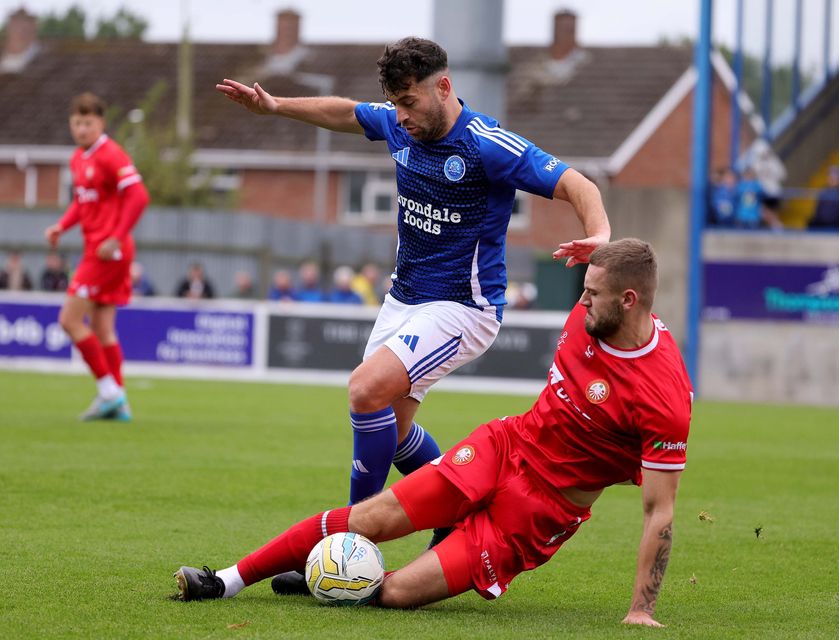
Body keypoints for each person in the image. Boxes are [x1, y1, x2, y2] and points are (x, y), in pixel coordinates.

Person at [216, 37, 610, 568]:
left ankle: (349, 547)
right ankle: (457, 507)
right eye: (395, 104)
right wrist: (276, 106)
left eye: (409, 103)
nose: (399, 117)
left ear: (443, 87)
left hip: (463, 308)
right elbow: (349, 113)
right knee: (394, 433)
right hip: (403, 302)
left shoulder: (487, 145)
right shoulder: (399, 123)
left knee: (364, 389)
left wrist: (600, 237)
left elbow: (577, 183)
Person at [174, 239, 692, 628]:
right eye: (583, 290)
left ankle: (327, 578)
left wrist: (641, 610)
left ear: (628, 301)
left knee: (397, 594)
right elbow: (625, 255)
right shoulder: (595, 312)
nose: (580, 304)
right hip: (503, 447)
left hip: (538, 512)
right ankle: (225, 581)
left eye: (592, 295)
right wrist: (595, 240)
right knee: (368, 519)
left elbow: (658, 511)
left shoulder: (664, 396)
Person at [43, 92, 149, 422]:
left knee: (69, 320)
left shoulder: (111, 154)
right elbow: (82, 200)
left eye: (88, 122)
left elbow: (139, 196)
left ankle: (110, 393)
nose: (81, 128)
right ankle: (120, 404)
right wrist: (62, 225)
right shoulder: (79, 158)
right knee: (103, 330)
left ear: (100, 123)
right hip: (99, 250)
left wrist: (116, 237)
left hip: (107, 252)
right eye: (76, 122)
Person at [808, 165, 839, 230]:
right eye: (830, 177)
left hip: (835, 224)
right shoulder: (823, 192)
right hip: (822, 222)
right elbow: (818, 211)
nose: (832, 179)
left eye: (834, 177)